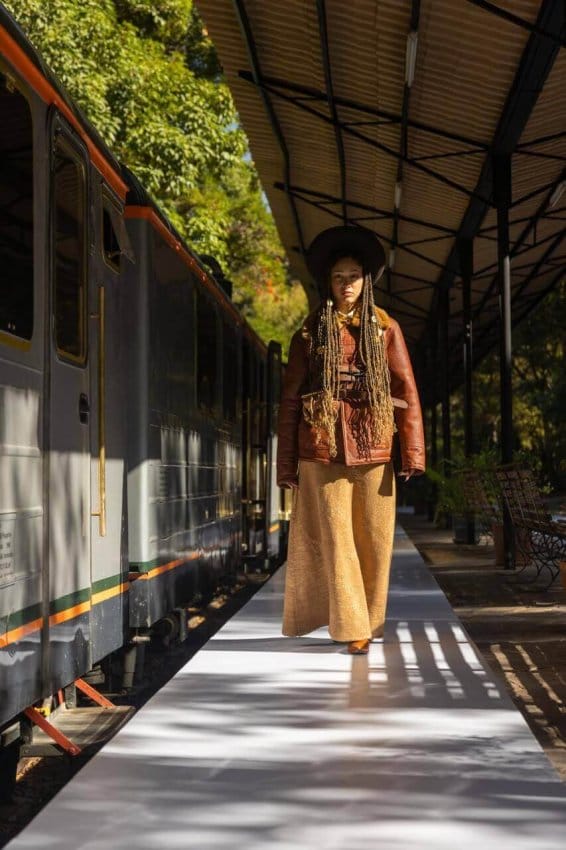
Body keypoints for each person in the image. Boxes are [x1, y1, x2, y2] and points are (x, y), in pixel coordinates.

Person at [277, 225, 425, 655]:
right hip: (321, 448)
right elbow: (290, 401)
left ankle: (369, 622)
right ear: (328, 281)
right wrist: (286, 464)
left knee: (375, 542)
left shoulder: (386, 329)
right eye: (339, 277)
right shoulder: (309, 333)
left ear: (366, 280)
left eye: (354, 276)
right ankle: (352, 626)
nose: (346, 285)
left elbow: (406, 388)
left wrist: (412, 451)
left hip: (374, 445)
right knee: (338, 540)